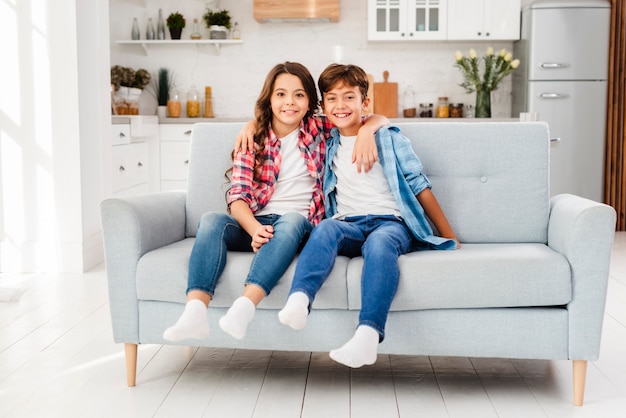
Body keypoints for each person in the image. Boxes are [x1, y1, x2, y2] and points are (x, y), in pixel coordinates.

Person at [163, 62, 388, 342]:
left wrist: (367, 131)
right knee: (211, 220)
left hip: (298, 227)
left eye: (299, 95)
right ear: (269, 98)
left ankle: (245, 306)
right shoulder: (253, 139)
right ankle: (195, 312)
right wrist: (254, 228)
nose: (289, 102)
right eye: (281, 94)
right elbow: (238, 197)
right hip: (256, 225)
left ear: (310, 103)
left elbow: (367, 117)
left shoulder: (318, 129)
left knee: (292, 219)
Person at [278, 63, 460, 368]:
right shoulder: (327, 143)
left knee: (380, 245)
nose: (341, 105)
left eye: (349, 97)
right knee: (323, 230)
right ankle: (299, 300)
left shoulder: (388, 137)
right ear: (323, 107)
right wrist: (250, 125)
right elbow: (282, 122)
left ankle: (368, 334)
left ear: (365, 102)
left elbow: (419, 185)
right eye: (332, 99)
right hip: (347, 223)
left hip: (390, 222)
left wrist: (448, 234)